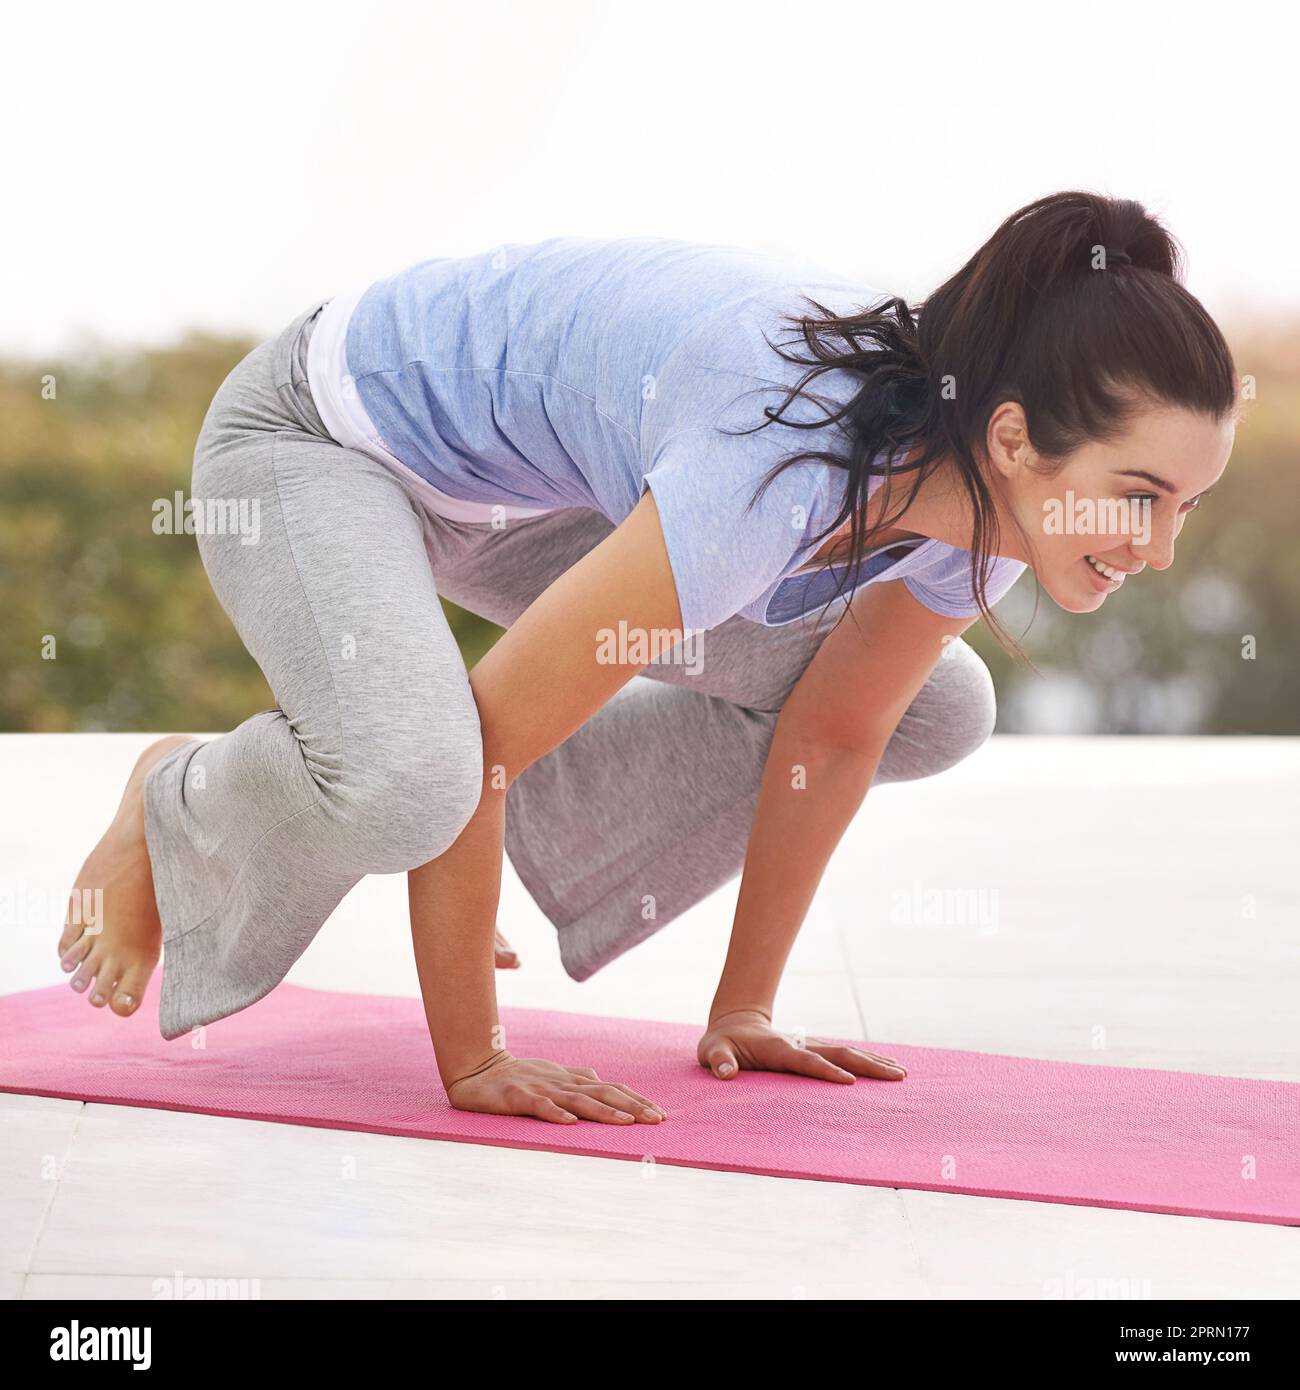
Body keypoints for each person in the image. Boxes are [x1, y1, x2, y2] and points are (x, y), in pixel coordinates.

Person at [58, 190, 1238, 1125]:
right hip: (320, 441)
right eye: (1138, 496)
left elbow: (832, 733)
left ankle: (472, 797)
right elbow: (483, 749)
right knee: (422, 776)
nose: (1160, 547)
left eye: (1184, 505)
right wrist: (476, 1061)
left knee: (934, 703)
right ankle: (184, 793)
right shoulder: (771, 470)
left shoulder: (979, 514)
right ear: (1014, 438)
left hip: (530, 496)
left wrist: (749, 1008)